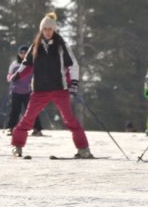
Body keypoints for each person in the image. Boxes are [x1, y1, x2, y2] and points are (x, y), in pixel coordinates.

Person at [10, 12, 92, 159]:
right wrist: (17, 75)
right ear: (41, 30)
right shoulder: (35, 47)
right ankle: (17, 147)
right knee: (28, 119)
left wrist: (74, 83)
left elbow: (73, 65)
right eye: (45, 29)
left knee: (69, 119)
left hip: (59, 89)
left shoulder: (62, 46)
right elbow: (27, 65)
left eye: (50, 29)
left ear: (54, 31)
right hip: (40, 90)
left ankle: (83, 149)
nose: (47, 32)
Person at [6, 45, 42, 136]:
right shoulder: (14, 64)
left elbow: (36, 75)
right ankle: (10, 128)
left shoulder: (31, 63)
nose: (23, 54)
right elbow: (9, 75)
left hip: (28, 91)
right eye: (21, 53)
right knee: (15, 110)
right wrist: (12, 79)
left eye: (25, 52)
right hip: (16, 91)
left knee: (31, 110)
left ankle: (37, 129)